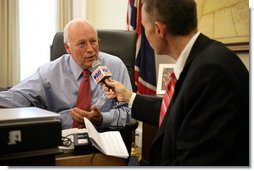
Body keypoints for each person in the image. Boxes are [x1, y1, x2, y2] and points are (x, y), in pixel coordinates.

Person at [104, 0, 249, 166]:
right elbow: (179, 111)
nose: (143, 33)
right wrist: (128, 97)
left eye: (144, 27)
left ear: (158, 29)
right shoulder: (203, 59)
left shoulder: (209, 72)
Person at [0, 18, 132, 130]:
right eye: (81, 44)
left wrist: (102, 119)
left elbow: (127, 113)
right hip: (62, 141)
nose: (91, 50)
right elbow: (16, 97)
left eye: (93, 41)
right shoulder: (49, 72)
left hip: (105, 138)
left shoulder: (115, 66)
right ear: (67, 47)